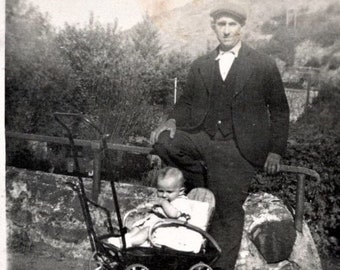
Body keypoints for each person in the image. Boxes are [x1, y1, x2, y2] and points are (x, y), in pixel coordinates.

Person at [149, 1, 290, 269]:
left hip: (240, 146)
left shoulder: (263, 64)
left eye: (232, 25)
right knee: (165, 141)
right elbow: (187, 102)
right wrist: (170, 119)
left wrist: (276, 150)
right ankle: (205, 179)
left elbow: (280, 111)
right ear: (214, 27)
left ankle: (220, 267)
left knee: (227, 209)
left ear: (241, 28)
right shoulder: (201, 64)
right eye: (221, 24)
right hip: (204, 137)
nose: (226, 31)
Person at [108, 167, 191, 248]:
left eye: (169, 192)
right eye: (160, 191)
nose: (164, 195)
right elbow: (155, 207)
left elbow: (173, 214)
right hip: (156, 225)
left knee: (147, 230)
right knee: (137, 228)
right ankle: (123, 240)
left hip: (170, 231)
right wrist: (146, 206)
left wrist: (163, 202)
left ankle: (128, 243)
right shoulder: (169, 199)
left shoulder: (181, 201)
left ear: (181, 191)